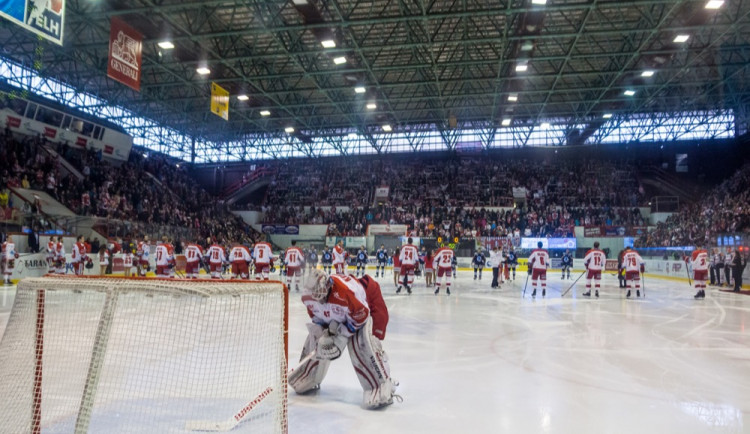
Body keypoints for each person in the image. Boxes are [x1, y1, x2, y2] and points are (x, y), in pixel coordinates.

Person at [288, 270, 398, 409]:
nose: (319, 300)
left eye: (321, 295)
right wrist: (326, 332)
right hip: (349, 309)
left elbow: (361, 316)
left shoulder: (346, 292)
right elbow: (318, 319)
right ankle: (308, 376)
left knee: (362, 342)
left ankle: (382, 382)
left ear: (329, 286)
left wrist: (341, 335)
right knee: (316, 338)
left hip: (368, 298)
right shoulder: (308, 297)